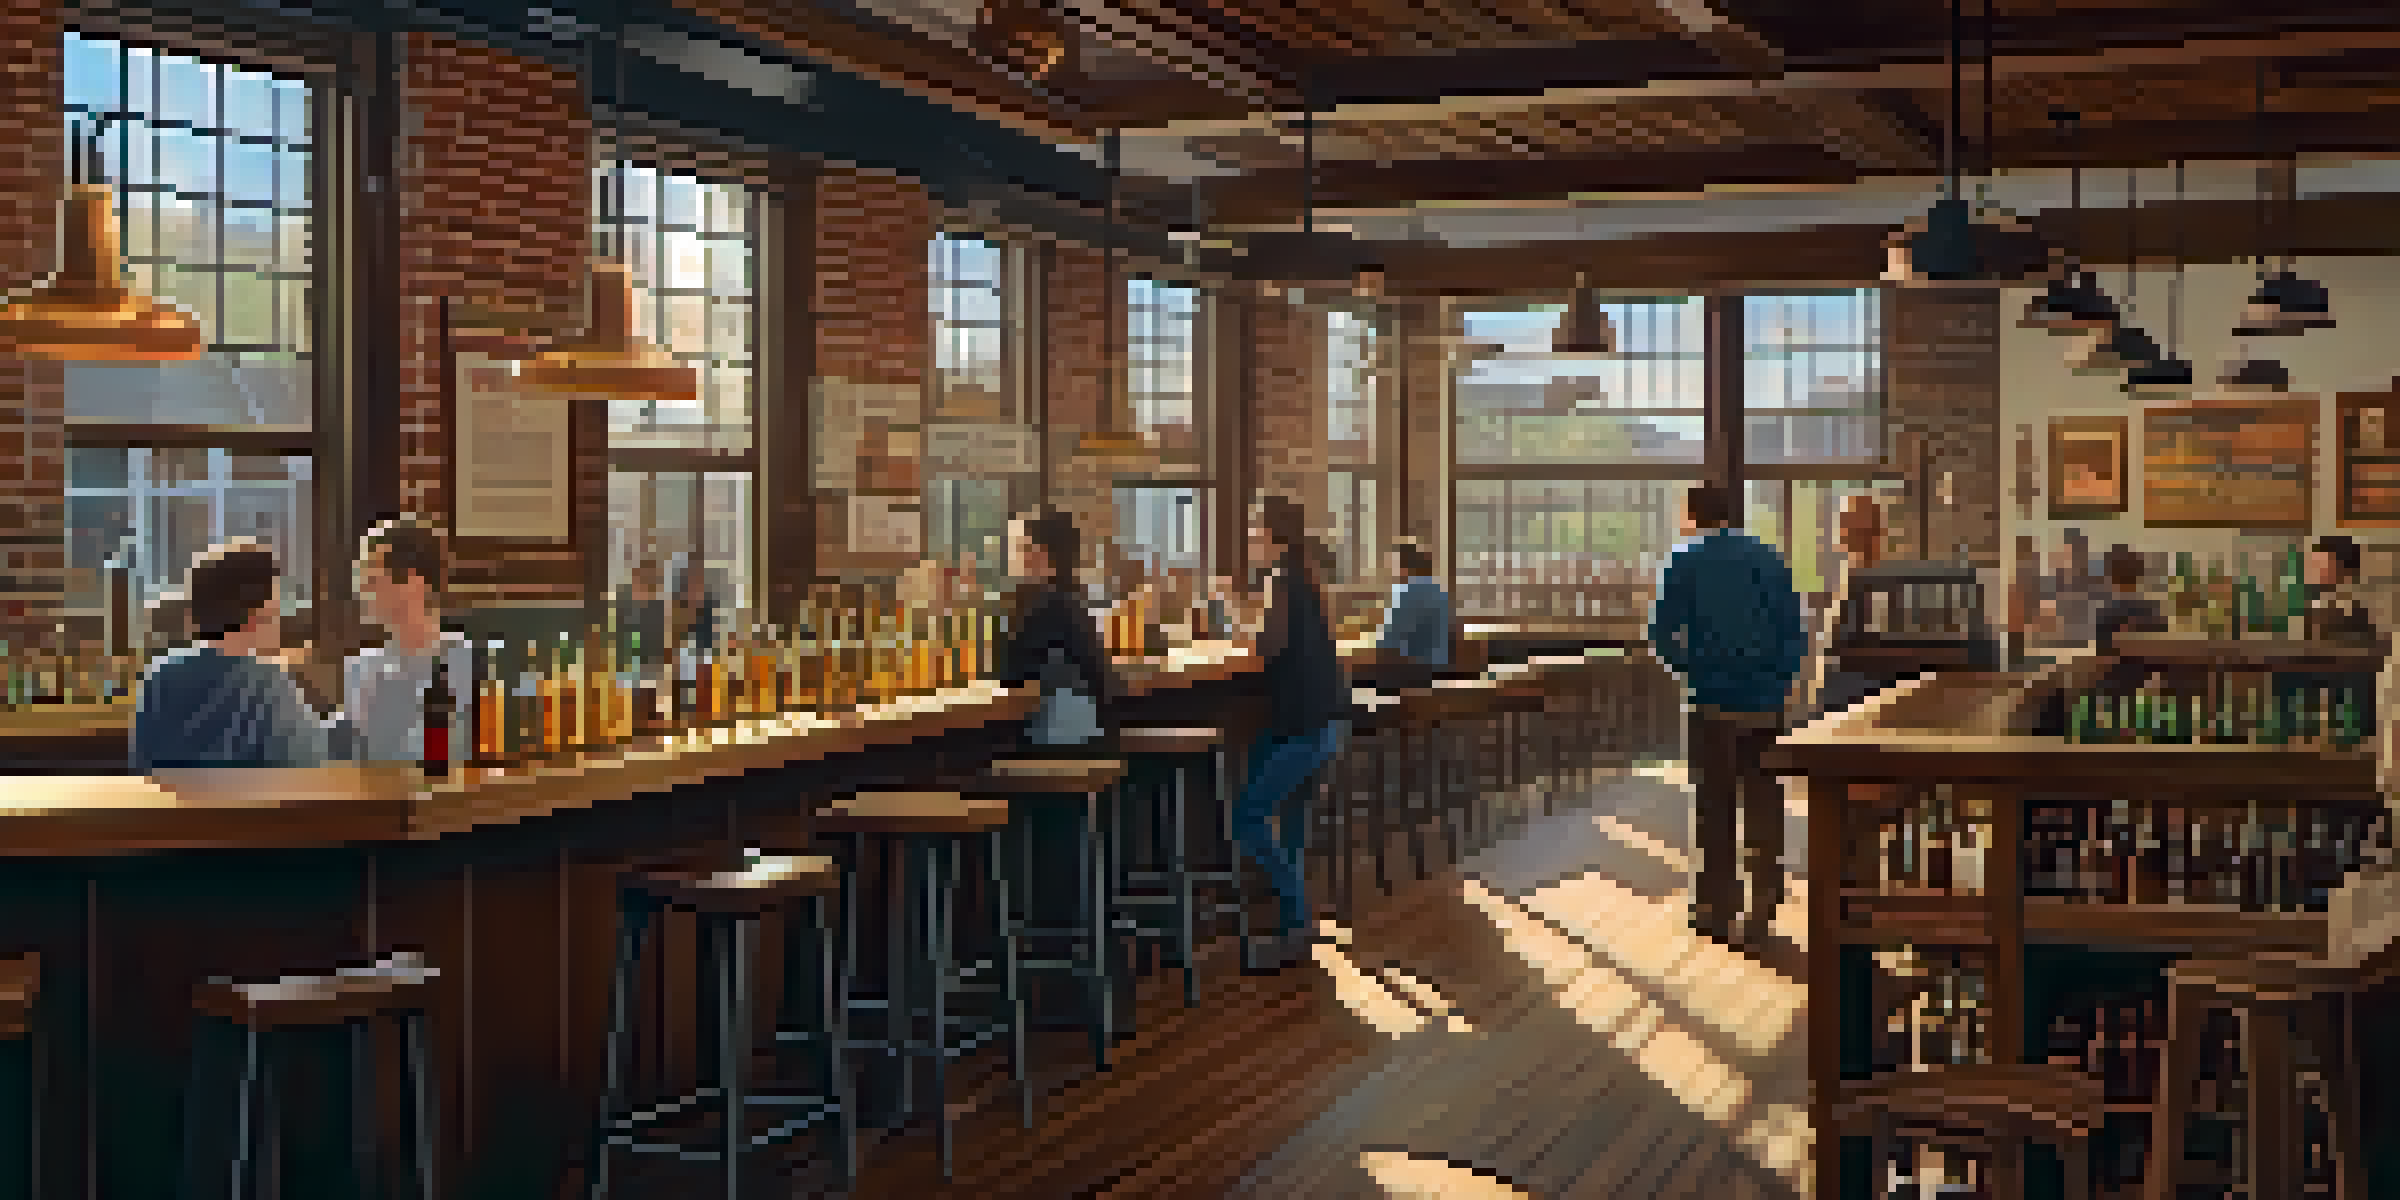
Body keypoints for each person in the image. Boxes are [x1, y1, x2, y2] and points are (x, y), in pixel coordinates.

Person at [1648, 483, 1806, 944]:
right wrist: (1777, 681)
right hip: (1763, 703)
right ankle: (1764, 906)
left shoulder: (1685, 558)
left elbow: (1661, 635)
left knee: (1713, 808)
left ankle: (1716, 909)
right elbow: (1794, 631)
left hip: (1711, 703)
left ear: (1694, 513)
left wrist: (1693, 671)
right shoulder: (1769, 559)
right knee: (1764, 804)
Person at [1234, 493, 1349, 968]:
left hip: (1301, 726)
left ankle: (1297, 923)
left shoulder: (1279, 579)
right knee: (1293, 829)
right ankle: (1293, 925)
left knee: (1248, 819)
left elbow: (1267, 649)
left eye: (1253, 530)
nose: (1248, 538)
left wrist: (1234, 607)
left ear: (1271, 534)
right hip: (1326, 724)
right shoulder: (1306, 577)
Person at [130, 540, 329, 771]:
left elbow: (142, 764)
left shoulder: (161, 674)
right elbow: (309, 762)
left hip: (173, 806)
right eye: (277, 609)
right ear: (258, 615)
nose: (280, 621)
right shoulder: (271, 683)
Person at [340, 518, 473, 766]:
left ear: (414, 583)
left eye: (372, 578)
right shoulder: (362, 668)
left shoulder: (468, 666)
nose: (360, 589)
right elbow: (348, 758)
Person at [996, 508, 1118, 752]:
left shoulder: (1042, 608)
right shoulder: (1073, 602)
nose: (1010, 558)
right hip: (1089, 739)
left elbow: (1009, 677)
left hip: (1052, 746)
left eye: (1019, 548)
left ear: (1043, 556)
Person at [1800, 495, 1895, 722]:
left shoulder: (1873, 582)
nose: (1840, 531)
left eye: (1846, 522)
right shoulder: (1851, 575)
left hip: (1856, 700)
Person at [1373, 539, 1451, 682]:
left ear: (1403, 566)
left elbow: (1391, 641)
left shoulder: (1405, 593)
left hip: (1412, 671)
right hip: (1439, 668)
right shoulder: (1438, 591)